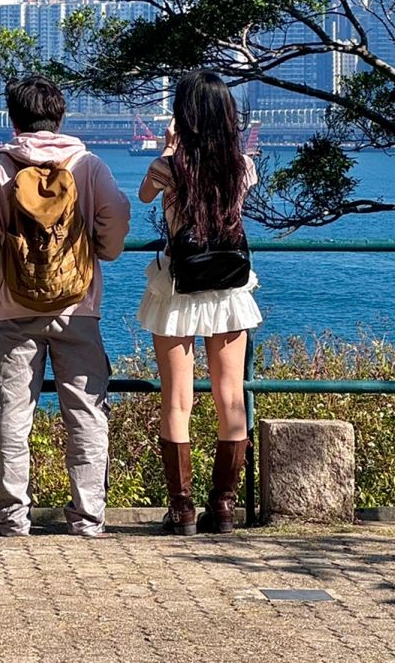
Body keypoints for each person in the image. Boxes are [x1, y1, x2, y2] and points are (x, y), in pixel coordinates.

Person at [0, 75, 130, 538]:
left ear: (13, 119)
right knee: (86, 412)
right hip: (80, 306)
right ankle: (88, 517)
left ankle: (14, 516)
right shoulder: (89, 165)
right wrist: (98, 251)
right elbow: (115, 226)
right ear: (59, 116)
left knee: (12, 413)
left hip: (15, 309)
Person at [136, 68, 262, 536]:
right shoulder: (241, 166)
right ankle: (224, 508)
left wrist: (168, 149)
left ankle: (182, 510)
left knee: (178, 400)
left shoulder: (169, 167)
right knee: (231, 397)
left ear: (183, 116)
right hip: (229, 288)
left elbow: (145, 195)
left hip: (178, 288)